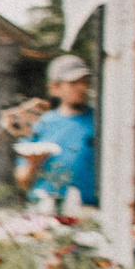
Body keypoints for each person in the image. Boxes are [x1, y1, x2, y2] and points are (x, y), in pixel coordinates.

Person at [15, 54, 98, 209]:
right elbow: (22, 181)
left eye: (85, 82)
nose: (82, 88)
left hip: (89, 209)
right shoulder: (41, 124)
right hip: (46, 208)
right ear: (55, 88)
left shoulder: (99, 122)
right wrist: (34, 163)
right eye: (73, 83)